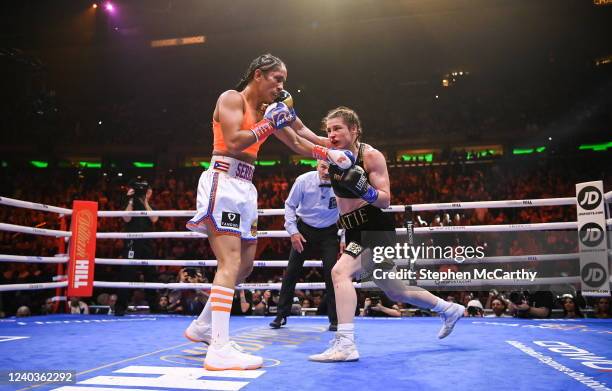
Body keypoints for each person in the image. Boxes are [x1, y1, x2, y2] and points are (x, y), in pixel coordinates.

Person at [182, 54, 355, 371]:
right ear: (258, 76)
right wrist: (268, 123)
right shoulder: (231, 99)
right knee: (230, 262)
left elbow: (300, 143)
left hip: (246, 187)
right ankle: (218, 348)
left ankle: (205, 326)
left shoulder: (267, 112)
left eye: (284, 81)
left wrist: (331, 153)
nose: (281, 86)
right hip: (223, 178)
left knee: (245, 266)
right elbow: (234, 141)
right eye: (277, 79)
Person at [296, 107, 465, 363]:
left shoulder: (371, 156)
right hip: (353, 230)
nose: (331, 134)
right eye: (328, 130)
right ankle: (449, 309)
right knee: (396, 291)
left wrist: (366, 191)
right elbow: (300, 135)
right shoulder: (332, 151)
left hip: (375, 228)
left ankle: (346, 344)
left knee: (339, 273)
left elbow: (385, 200)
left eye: (337, 128)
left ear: (354, 130)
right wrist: (284, 116)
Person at [269, 160, 340, 331]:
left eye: (330, 168)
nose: (326, 171)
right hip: (304, 230)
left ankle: (336, 319)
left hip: (329, 232)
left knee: (334, 274)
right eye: (323, 167)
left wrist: (343, 237)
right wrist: (293, 232)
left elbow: (348, 210)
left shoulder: (342, 183)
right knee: (292, 271)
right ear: (317, 165)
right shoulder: (303, 181)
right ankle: (281, 315)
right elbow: (289, 205)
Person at [115, 177, 159, 315]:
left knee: (150, 274)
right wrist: (131, 199)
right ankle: (120, 307)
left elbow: (154, 219)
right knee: (127, 273)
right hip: (132, 242)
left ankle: (155, 307)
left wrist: (145, 201)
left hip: (147, 243)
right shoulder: (129, 202)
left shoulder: (150, 205)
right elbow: (126, 218)